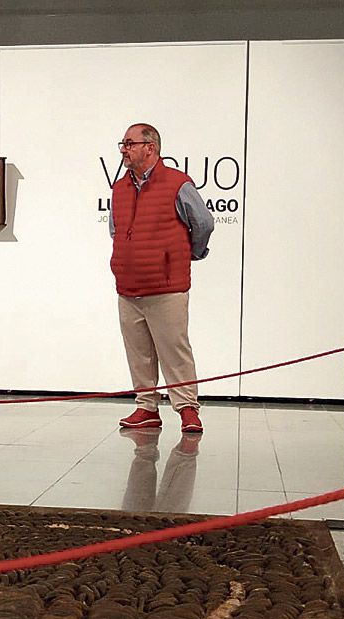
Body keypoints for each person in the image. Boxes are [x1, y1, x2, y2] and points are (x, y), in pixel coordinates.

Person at [109, 123, 213, 433]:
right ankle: (146, 407)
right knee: (138, 351)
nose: (124, 149)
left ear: (150, 147)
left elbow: (204, 223)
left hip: (166, 286)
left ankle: (187, 409)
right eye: (123, 144)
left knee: (174, 349)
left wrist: (188, 254)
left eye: (129, 143)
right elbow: (115, 230)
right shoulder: (120, 187)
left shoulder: (178, 184)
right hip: (128, 286)